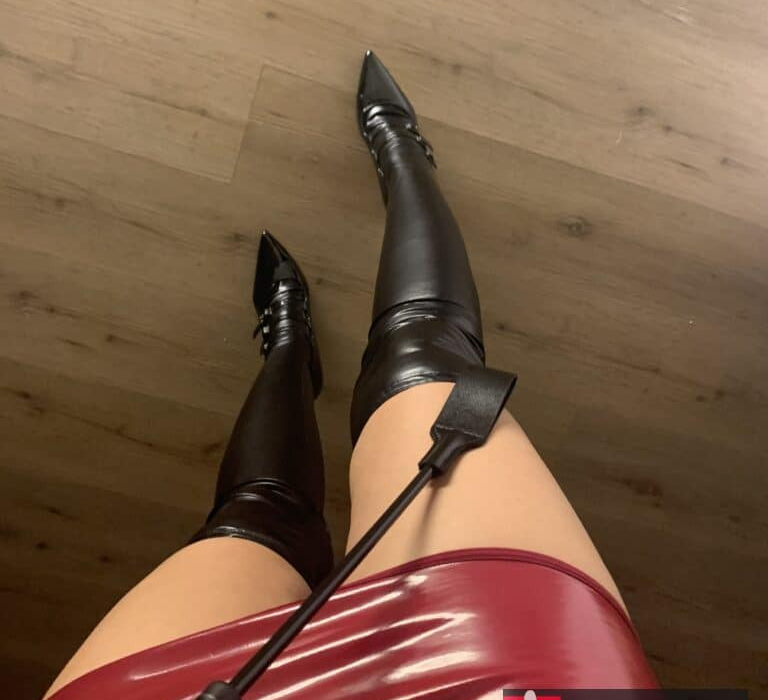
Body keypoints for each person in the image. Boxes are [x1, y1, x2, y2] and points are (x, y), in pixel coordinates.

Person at [44, 52, 658, 699]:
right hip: (490, 668)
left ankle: (288, 342)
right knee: (423, 354)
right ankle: (403, 154)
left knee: (257, 515)